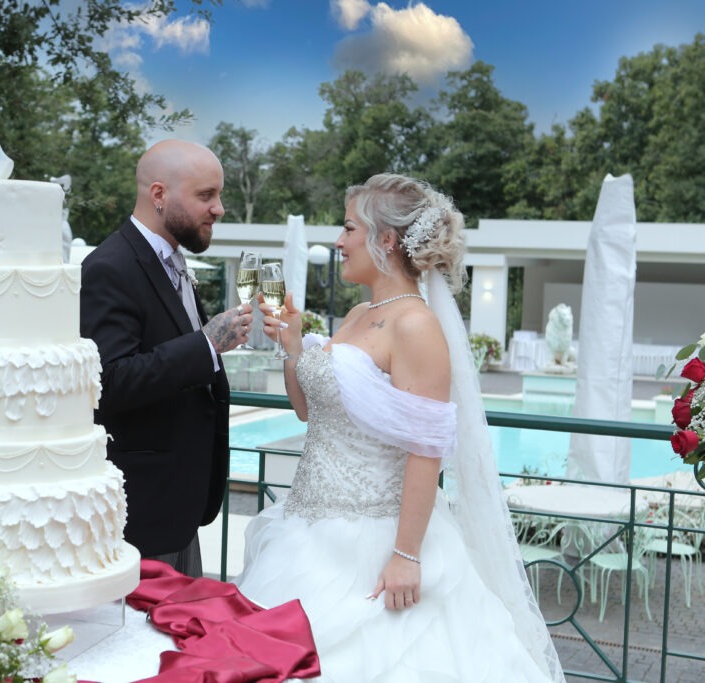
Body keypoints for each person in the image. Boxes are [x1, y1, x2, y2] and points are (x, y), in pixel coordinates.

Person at [235, 173, 564, 681]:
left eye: (348, 229)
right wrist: (294, 347)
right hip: (306, 529)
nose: (339, 242)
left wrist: (406, 556)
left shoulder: (416, 325)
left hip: (375, 541)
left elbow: (426, 449)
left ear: (385, 240)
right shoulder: (361, 312)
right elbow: (307, 411)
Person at [79, 139, 254, 577]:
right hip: (142, 513)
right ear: (159, 195)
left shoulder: (171, 260)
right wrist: (207, 343)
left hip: (180, 504)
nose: (219, 209)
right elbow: (109, 381)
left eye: (218, 195)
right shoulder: (110, 267)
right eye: (206, 195)